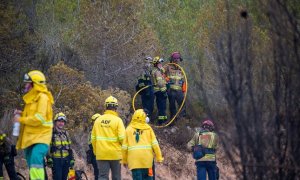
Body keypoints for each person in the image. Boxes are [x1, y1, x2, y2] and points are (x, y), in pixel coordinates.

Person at [14, 70, 54, 180]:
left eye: (27, 83)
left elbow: (39, 119)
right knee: (32, 163)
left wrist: (20, 119)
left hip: (42, 137)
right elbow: (32, 114)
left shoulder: (43, 98)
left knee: (36, 159)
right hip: (30, 137)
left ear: (34, 84)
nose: (25, 86)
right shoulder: (31, 99)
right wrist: (21, 113)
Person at [122, 109, 164, 180]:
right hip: (147, 162)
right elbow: (155, 145)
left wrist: (124, 161)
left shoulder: (128, 129)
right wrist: (159, 158)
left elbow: (124, 147)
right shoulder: (148, 129)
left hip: (135, 162)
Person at [91, 96, 125, 180]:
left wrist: (96, 152)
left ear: (106, 106)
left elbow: (93, 139)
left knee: (102, 177)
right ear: (116, 107)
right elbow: (122, 139)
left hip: (101, 154)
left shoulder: (98, 120)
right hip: (115, 155)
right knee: (116, 177)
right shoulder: (118, 120)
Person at [46, 112, 75, 180]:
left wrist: (72, 159)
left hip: (66, 160)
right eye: (59, 121)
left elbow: (70, 148)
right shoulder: (51, 133)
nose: (61, 123)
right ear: (55, 122)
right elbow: (47, 147)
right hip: (56, 161)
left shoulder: (66, 134)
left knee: (66, 178)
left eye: (62, 122)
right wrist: (48, 158)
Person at [165, 52, 186, 123]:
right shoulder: (167, 67)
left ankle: (182, 120)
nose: (177, 61)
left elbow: (183, 79)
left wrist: (184, 88)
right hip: (171, 90)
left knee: (182, 104)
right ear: (172, 59)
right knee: (172, 106)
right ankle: (173, 120)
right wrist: (165, 78)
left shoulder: (181, 69)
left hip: (179, 91)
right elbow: (160, 74)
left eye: (178, 59)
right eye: (175, 59)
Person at [135, 56, 154, 121]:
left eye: (150, 63)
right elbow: (140, 82)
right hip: (145, 92)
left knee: (151, 106)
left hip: (150, 90)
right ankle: (145, 120)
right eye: (148, 63)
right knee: (146, 107)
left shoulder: (150, 71)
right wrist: (145, 89)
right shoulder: (142, 71)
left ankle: (150, 120)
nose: (149, 65)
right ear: (145, 63)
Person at [151, 56, 168, 125]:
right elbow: (160, 83)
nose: (161, 64)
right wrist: (164, 91)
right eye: (160, 63)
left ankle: (163, 120)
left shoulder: (156, 71)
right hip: (160, 91)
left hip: (157, 91)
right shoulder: (157, 72)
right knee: (162, 107)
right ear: (156, 64)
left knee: (161, 107)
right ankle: (161, 122)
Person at [87, 113, 101, 180]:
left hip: (101, 155)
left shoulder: (102, 131)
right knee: (97, 173)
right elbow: (90, 144)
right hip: (95, 155)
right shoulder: (92, 132)